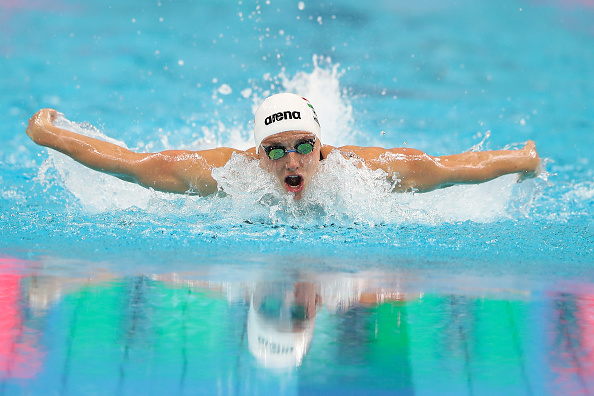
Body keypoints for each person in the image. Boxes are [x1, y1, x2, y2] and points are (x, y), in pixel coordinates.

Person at [26, 93, 541, 200]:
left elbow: (452, 168)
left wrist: (521, 160)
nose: (291, 161)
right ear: (257, 153)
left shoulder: (363, 172)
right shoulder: (230, 175)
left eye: (302, 146)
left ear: (322, 146)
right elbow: (133, 165)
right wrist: (48, 134)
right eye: (275, 150)